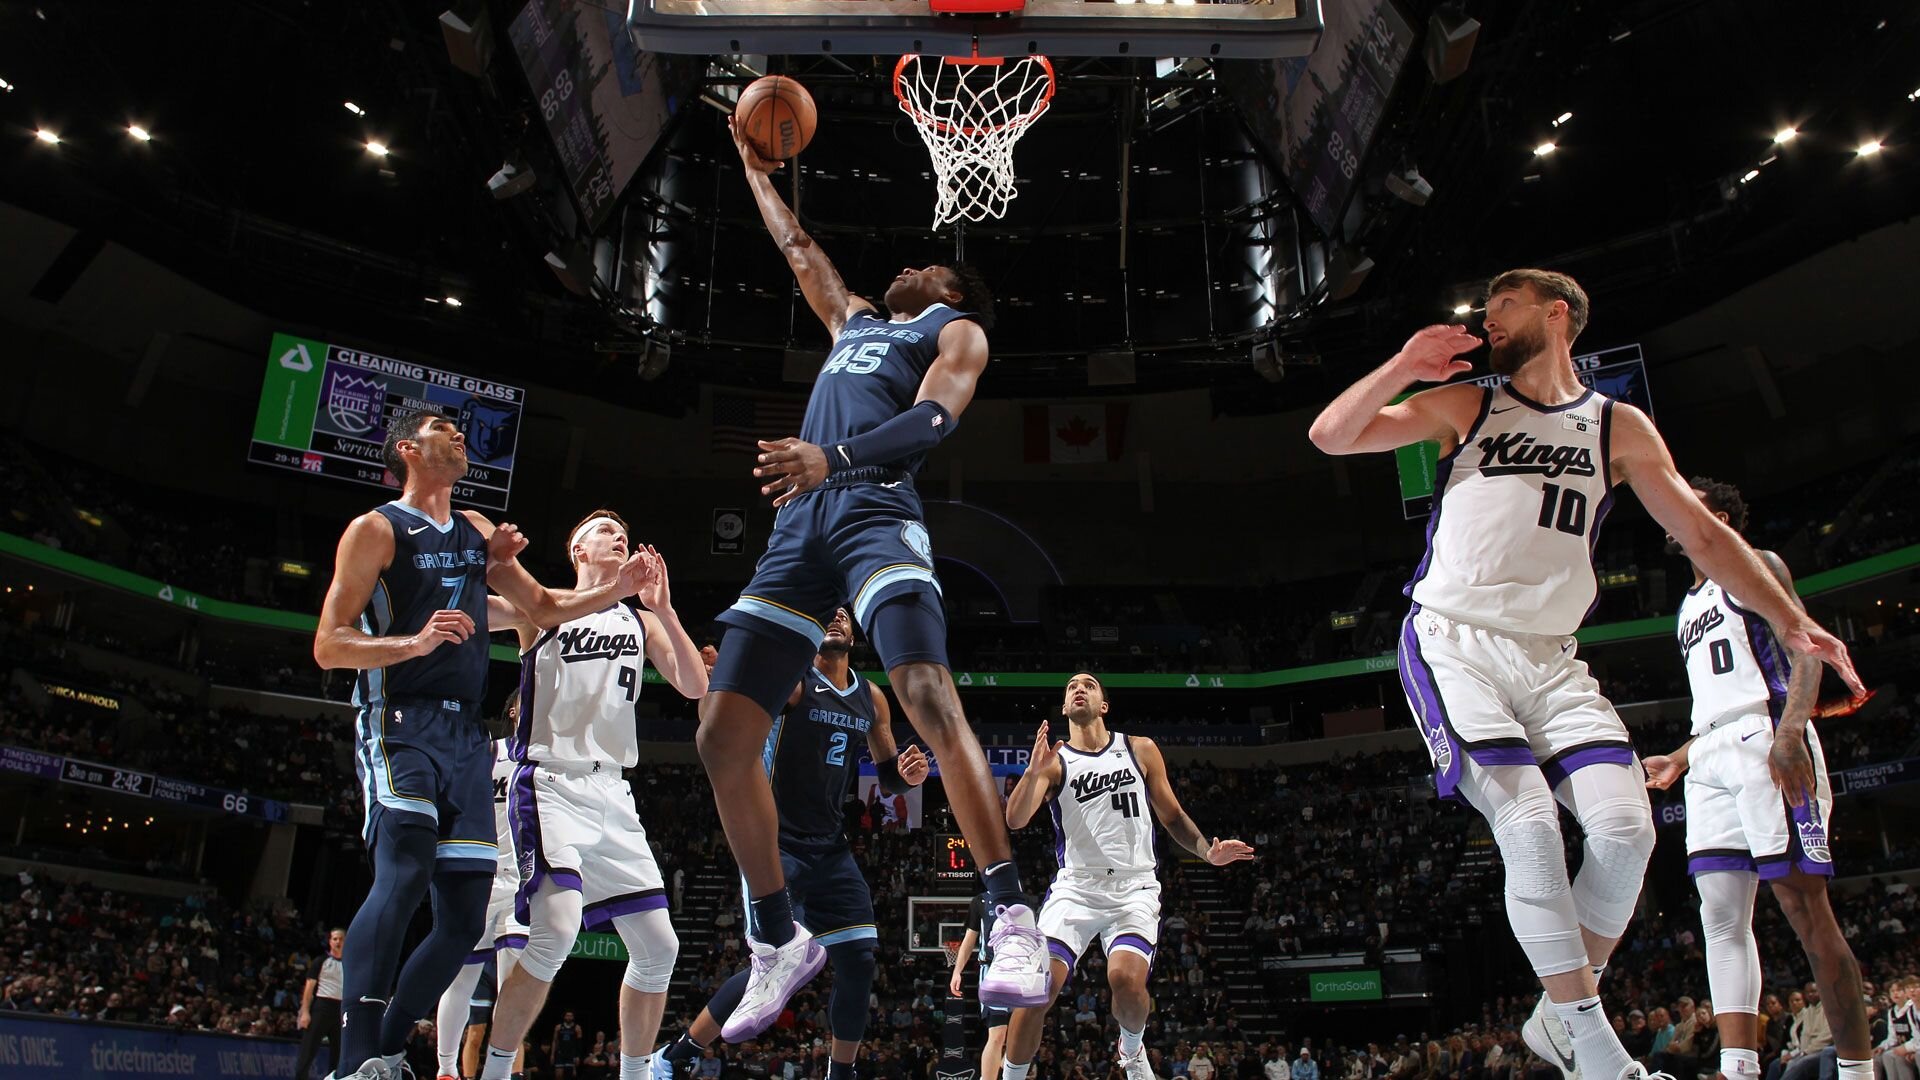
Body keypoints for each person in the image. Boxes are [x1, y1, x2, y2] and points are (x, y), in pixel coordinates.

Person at [1307, 269, 1863, 1080]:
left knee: (1630, 832)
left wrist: (1791, 619)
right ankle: (1595, 1047)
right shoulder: (1470, 404)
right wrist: (1401, 364)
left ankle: (1556, 1021)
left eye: (1502, 304)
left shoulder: (1618, 427)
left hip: (1552, 659)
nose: (1487, 319)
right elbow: (1331, 435)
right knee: (1529, 828)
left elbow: (1707, 539)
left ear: (1555, 312)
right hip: (1455, 642)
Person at [693, 108, 1047, 1033]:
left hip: (875, 511)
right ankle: (777, 940)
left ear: (952, 288)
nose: (901, 266)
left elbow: (931, 425)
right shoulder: (854, 319)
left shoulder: (954, 334)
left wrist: (833, 459)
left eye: (920, 264)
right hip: (801, 525)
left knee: (925, 688)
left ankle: (1009, 910)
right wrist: (753, 167)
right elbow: (800, 250)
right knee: (722, 739)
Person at [314, 408, 654, 1080]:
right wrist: (412, 643)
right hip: (399, 720)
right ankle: (355, 1060)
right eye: (444, 426)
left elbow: (545, 610)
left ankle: (383, 1050)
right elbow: (329, 644)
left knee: (466, 913)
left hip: (467, 735)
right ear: (409, 448)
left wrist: (618, 589)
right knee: (405, 868)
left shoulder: (475, 530)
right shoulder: (376, 529)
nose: (460, 433)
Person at [1644, 478, 1874, 1080]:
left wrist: (1793, 730)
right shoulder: (1688, 607)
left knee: (1802, 904)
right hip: (1712, 751)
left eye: (1684, 501)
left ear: (1718, 518)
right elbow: (1720, 699)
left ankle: (1857, 1070)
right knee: (1718, 914)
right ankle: (1739, 1066)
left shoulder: (1755, 566)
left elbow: (1804, 649)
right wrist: (1681, 757)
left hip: (1766, 739)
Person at [656, 609, 930, 1080]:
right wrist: (721, 675)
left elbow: (887, 778)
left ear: (855, 633)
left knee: (860, 960)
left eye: (844, 615)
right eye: (828, 614)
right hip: (774, 845)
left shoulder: (872, 697)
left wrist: (905, 780)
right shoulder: (792, 681)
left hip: (831, 848)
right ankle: (677, 1055)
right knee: (772, 962)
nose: (836, 618)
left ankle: (839, 1073)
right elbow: (729, 714)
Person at [482, 510, 708, 1080]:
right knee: (554, 932)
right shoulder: (545, 605)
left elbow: (694, 685)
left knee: (661, 949)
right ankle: (495, 1070)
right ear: (577, 549)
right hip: (551, 781)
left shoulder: (641, 621)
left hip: (612, 790)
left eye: (623, 532)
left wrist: (665, 608)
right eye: (603, 530)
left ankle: (634, 1075)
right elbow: (480, 610)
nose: (618, 534)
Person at [1000, 674, 1255, 1080]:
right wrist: (1033, 773)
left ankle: (1132, 1051)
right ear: (1065, 708)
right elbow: (1014, 819)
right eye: (1070, 687)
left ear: (1104, 704)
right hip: (1076, 889)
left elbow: (1170, 816)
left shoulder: (1139, 749)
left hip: (1134, 888)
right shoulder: (1054, 760)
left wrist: (1208, 851)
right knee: (1037, 991)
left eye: (1089, 684)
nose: (1078, 688)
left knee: (1126, 981)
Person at [436, 700, 531, 1080]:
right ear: (511, 710)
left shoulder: (550, 762)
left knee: (516, 988)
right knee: (462, 979)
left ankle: (503, 1074)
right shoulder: (486, 753)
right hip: (479, 877)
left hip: (522, 884)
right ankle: (445, 1070)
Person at [952, 891, 1010, 1080]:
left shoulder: (1023, 900)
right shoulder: (981, 901)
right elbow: (970, 938)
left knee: (1019, 1035)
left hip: (1020, 971)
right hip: (993, 970)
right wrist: (957, 971)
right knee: (998, 1033)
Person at [296, 928, 347, 1080]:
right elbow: (309, 989)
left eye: (340, 939)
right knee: (308, 1051)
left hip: (340, 1010)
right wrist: (305, 1012)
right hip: (322, 1007)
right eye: (335, 939)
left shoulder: (350, 964)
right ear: (330, 941)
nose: (338, 942)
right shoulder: (320, 961)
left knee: (338, 1056)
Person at [553, 1012, 585, 1079]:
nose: (569, 1017)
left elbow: (579, 1043)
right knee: (558, 1075)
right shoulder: (558, 1027)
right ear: (564, 1017)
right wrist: (552, 1054)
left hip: (571, 1054)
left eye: (571, 1016)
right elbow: (555, 1041)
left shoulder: (577, 1028)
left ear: (573, 1017)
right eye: (567, 1015)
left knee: (569, 1075)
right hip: (560, 1053)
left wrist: (578, 1056)